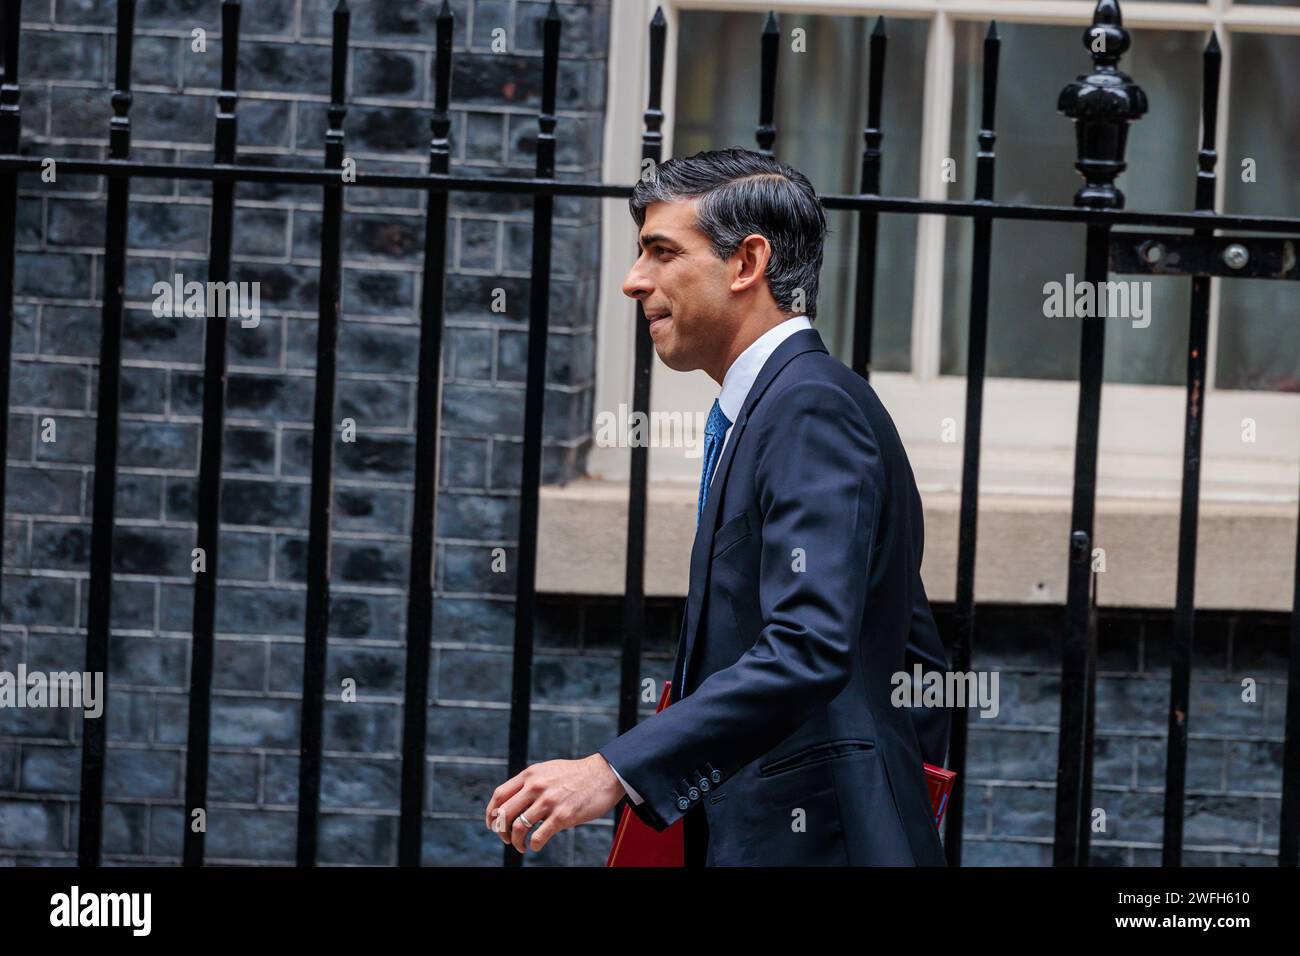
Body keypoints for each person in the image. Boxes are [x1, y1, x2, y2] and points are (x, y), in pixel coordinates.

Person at [485, 147, 951, 865]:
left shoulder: (809, 408)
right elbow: (911, 648)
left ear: (746, 264)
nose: (633, 280)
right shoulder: (779, 405)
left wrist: (613, 770)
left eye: (661, 251)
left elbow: (809, 645)